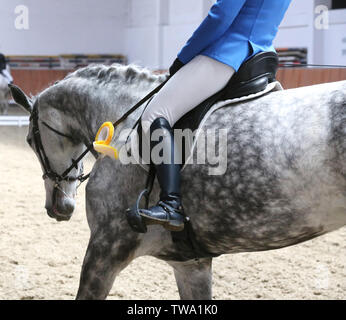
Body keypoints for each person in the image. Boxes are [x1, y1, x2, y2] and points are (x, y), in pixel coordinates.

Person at [138, 0, 292, 232]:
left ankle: (170, 204)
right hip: (263, 53)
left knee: (155, 115)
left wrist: (184, 57)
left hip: (231, 51)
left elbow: (220, 17)